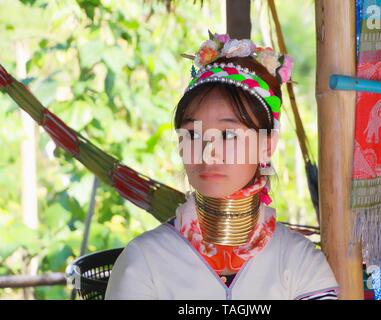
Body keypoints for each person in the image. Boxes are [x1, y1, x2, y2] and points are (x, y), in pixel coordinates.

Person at [105, 32, 339, 300]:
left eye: (228, 135)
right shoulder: (145, 261)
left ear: (266, 145)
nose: (209, 153)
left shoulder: (299, 263)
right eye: (193, 134)